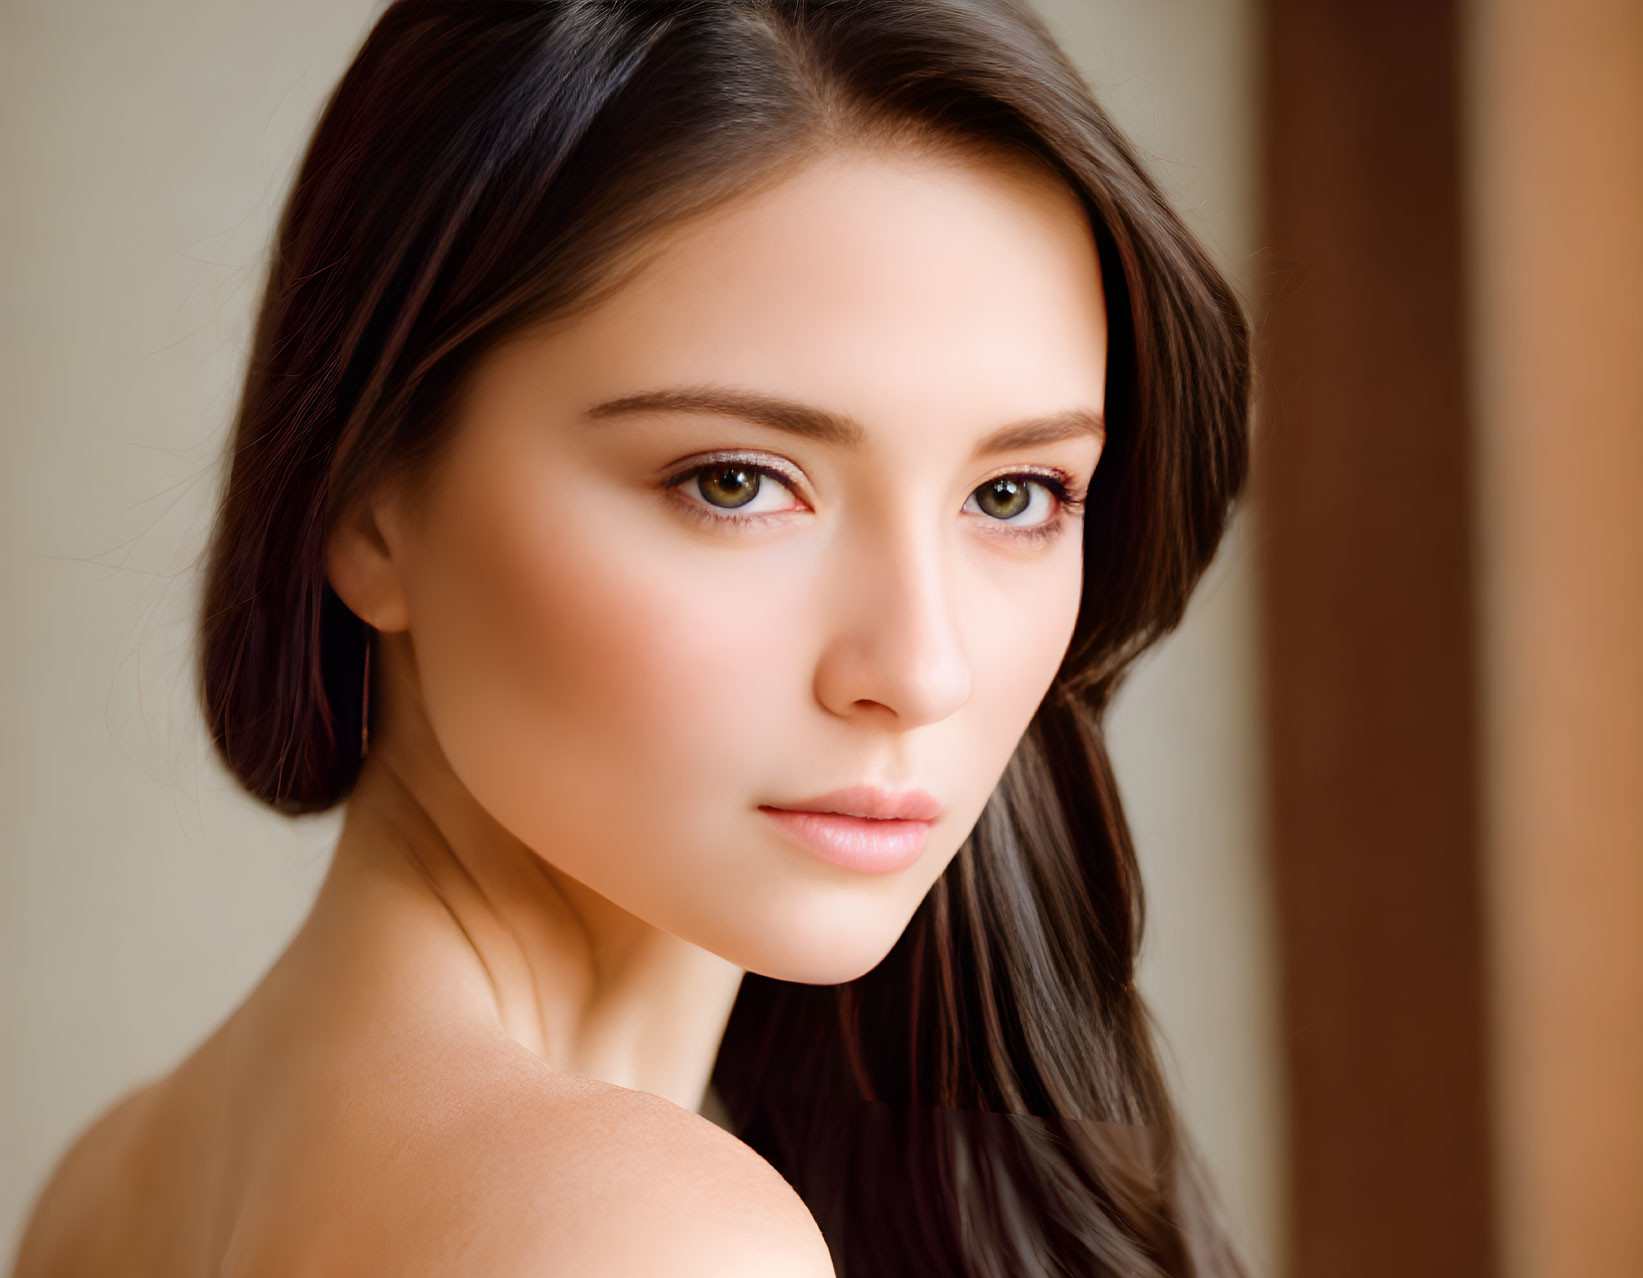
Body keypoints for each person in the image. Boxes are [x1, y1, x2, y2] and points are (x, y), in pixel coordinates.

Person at [10, 1, 1253, 1274]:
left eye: (1013, 495)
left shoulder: (107, 1187)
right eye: (734, 482)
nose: (921, 671)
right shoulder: (647, 1237)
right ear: (368, 507)